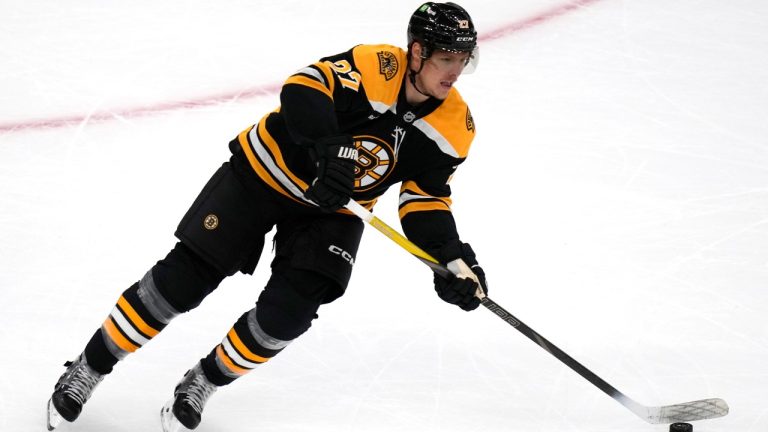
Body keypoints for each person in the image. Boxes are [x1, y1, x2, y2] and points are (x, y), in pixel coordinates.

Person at [45, 2, 489, 431]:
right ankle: (89, 368)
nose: (454, 72)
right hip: (262, 174)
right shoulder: (376, 66)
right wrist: (326, 146)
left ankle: (203, 381)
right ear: (417, 52)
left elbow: (425, 199)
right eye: (446, 58)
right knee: (181, 283)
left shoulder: (454, 127)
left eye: (463, 60)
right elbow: (303, 88)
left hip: (332, 209)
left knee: (288, 316)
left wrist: (450, 257)